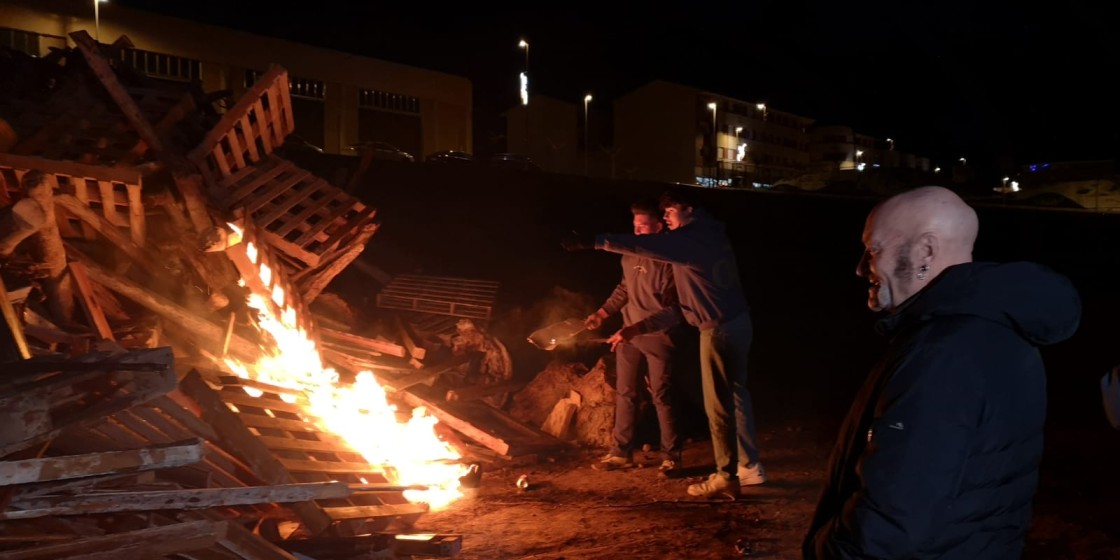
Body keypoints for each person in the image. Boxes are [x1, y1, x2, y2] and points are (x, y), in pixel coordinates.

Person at [803, 186, 1082, 559]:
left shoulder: (944, 354)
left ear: (925, 252)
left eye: (873, 249)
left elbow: (891, 526)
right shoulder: (995, 331)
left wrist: (830, 551)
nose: (859, 267)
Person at [563, 187, 765, 499]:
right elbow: (639, 272)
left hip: (718, 328)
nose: (667, 218)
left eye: (669, 212)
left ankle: (726, 475)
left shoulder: (689, 240)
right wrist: (610, 315)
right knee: (736, 397)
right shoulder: (709, 232)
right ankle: (750, 466)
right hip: (737, 320)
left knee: (718, 406)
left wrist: (597, 241)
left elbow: (653, 260)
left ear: (689, 209)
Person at [586, 198, 683, 473]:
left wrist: (637, 328)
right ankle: (620, 452)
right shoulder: (629, 253)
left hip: (659, 336)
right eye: (635, 226)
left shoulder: (669, 261)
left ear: (659, 227)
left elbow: (674, 309)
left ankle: (671, 456)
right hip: (627, 334)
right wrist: (602, 313)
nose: (637, 231)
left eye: (643, 226)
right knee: (625, 392)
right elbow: (624, 289)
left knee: (661, 395)